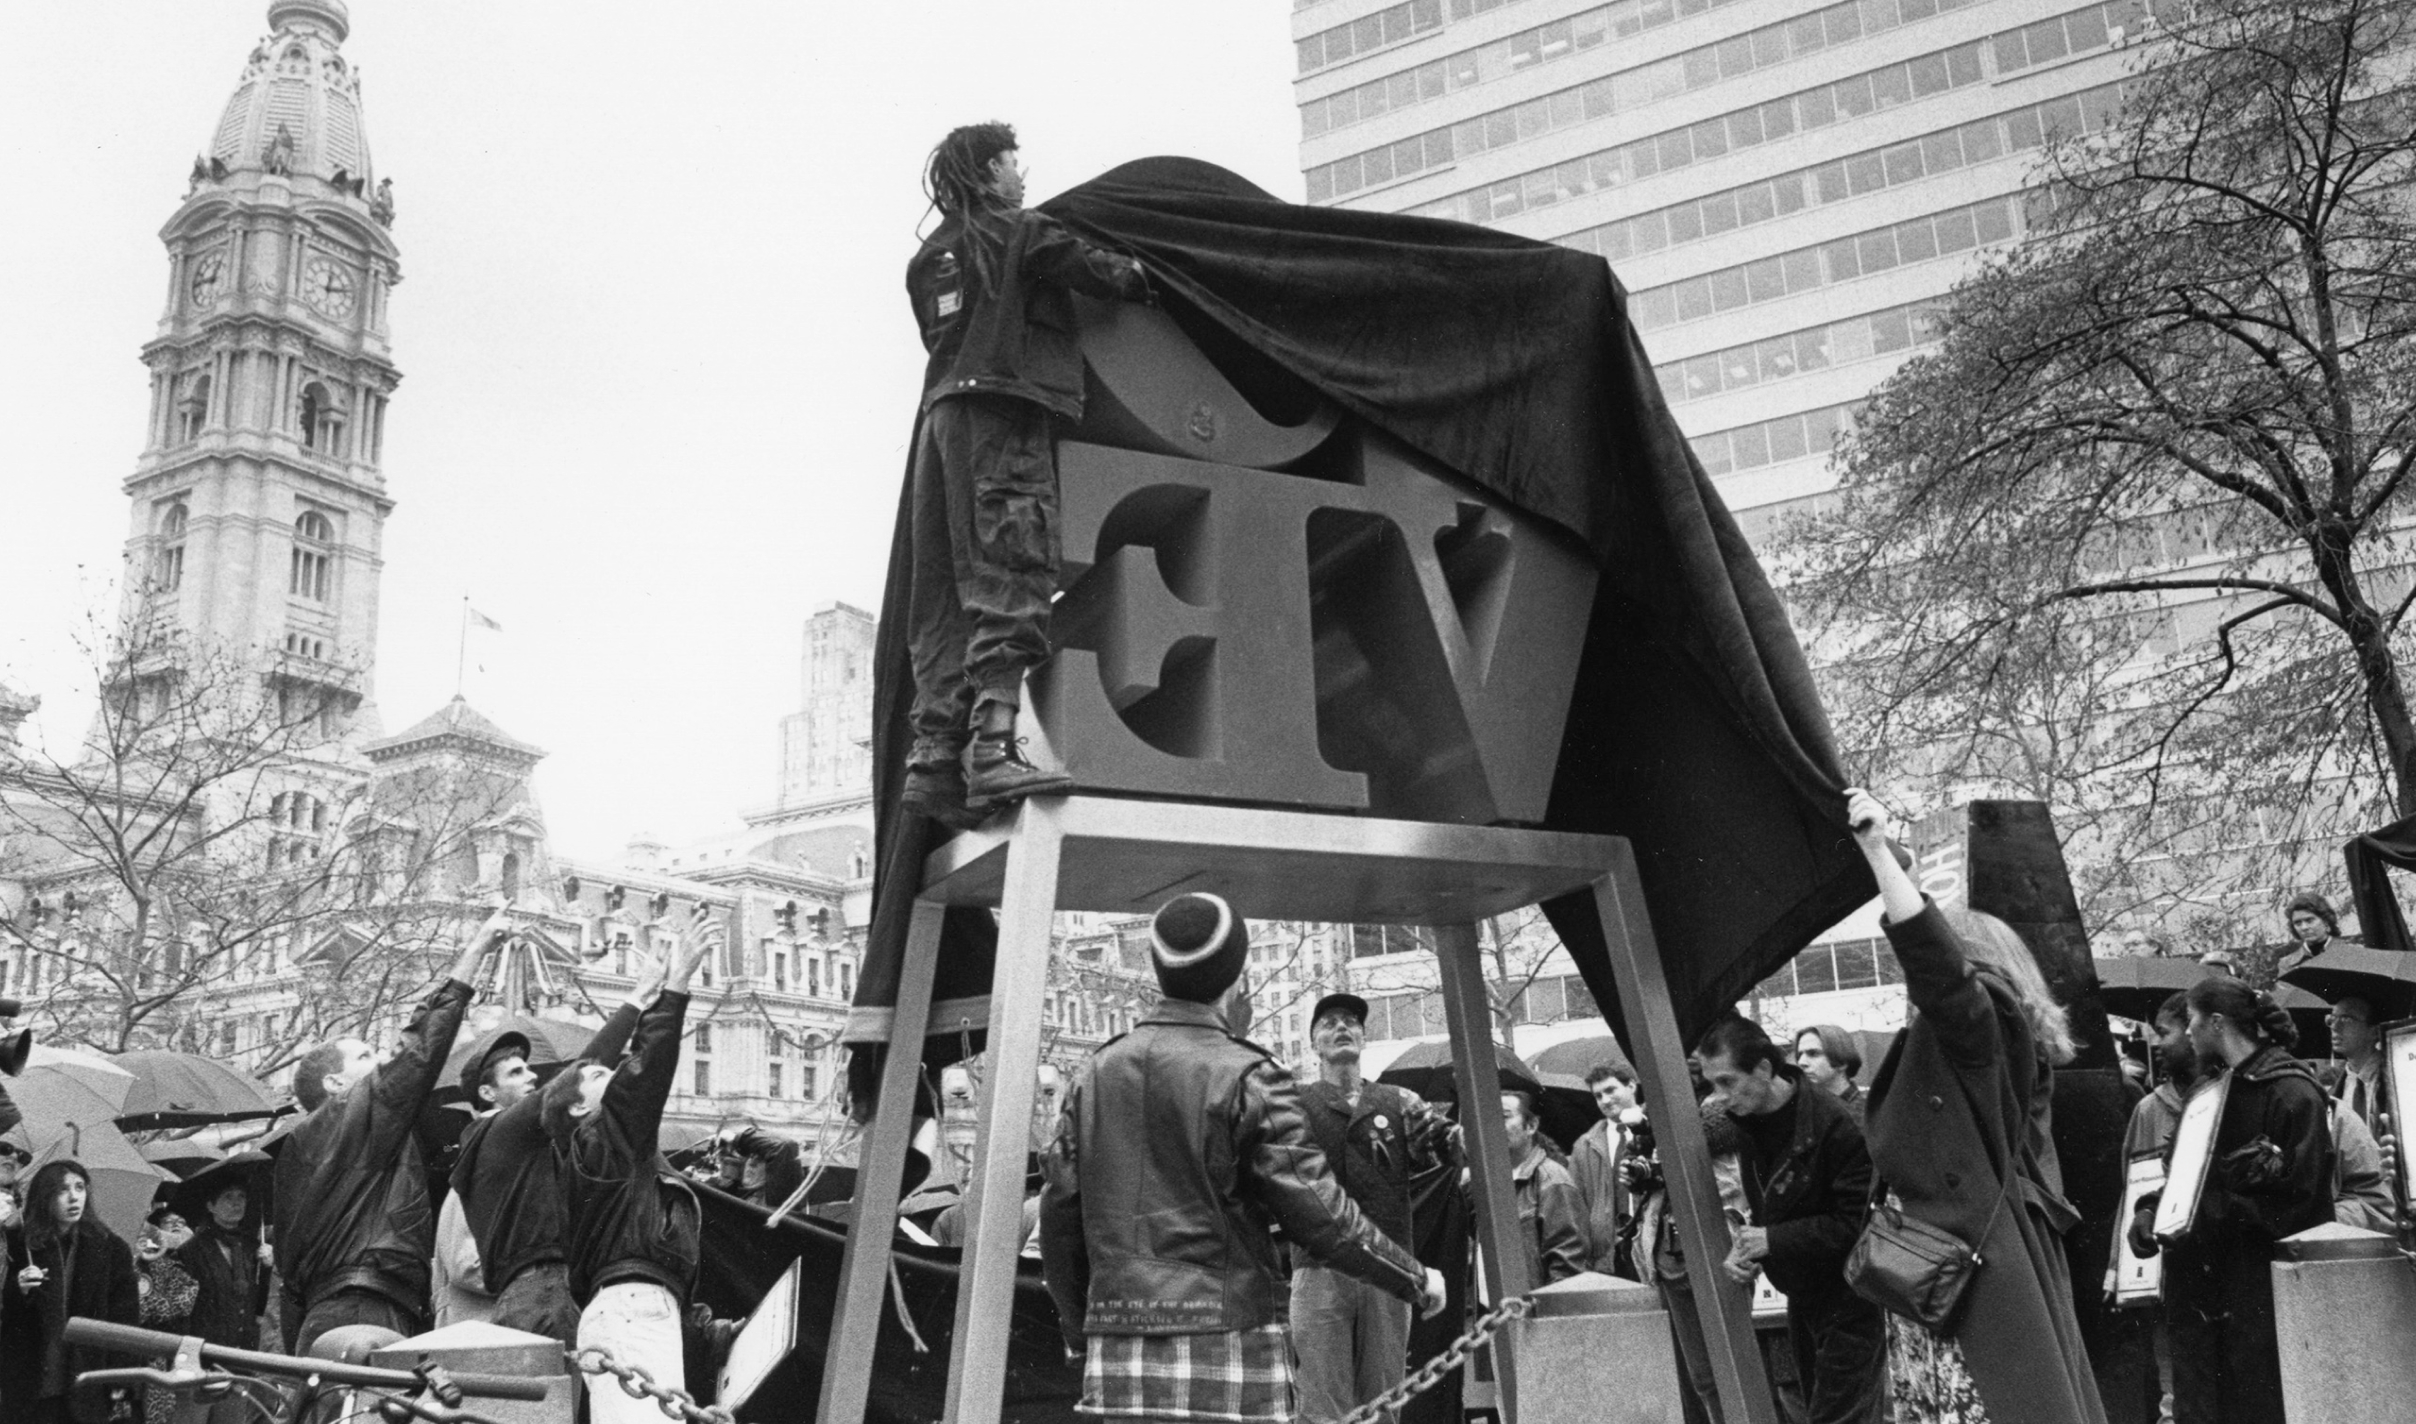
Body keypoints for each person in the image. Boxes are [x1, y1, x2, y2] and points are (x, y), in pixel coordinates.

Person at [1038, 892, 1444, 1424]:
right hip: (1229, 1332)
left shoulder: (1094, 1074)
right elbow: (1320, 1215)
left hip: (1119, 1336)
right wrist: (1415, 1278)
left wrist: (1078, 1329)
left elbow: (1059, 1217)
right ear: (1237, 980)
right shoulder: (1251, 1075)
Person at [900, 121, 1155, 823]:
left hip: (942, 420)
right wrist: (1148, 276)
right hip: (1004, 415)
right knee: (1013, 563)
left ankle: (934, 766)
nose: (1022, 173)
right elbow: (1105, 272)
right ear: (986, 175)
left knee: (948, 592)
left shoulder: (932, 255)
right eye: (1012, 163)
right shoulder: (1017, 232)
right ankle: (991, 748)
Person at [1845, 788, 2108, 1424]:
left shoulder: (1977, 1024)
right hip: (1949, 1266)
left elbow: (1938, 972)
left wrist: (1881, 856)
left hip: (1964, 1272)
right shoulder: (1990, 1041)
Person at [273, 914, 500, 1356]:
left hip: (331, 1313)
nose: (380, 1061)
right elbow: (417, 1051)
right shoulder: (353, 1115)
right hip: (366, 1309)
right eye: (365, 1054)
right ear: (335, 1085)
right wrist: (473, 955)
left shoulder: (307, 1146)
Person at [2126, 977, 2333, 1424]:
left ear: (2216, 1023)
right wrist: (2151, 1209)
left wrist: (2216, 1209)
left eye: (2194, 1022)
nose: (2188, 1033)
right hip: (2199, 1303)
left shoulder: (2292, 1095)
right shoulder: (2209, 1092)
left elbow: (2303, 1207)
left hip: (2258, 1305)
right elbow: (2186, 1176)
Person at [541, 915, 720, 1424]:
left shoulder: (605, 1152)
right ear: (579, 1109)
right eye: (600, 1073)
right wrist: (675, 989)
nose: (615, 1071)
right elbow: (646, 1070)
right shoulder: (602, 1139)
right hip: (633, 1307)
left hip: (628, 1307)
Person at [450, 966, 655, 1344]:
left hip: (528, 1295)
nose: (531, 1077)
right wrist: (637, 1000)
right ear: (487, 1095)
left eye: (528, 1068)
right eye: (515, 1073)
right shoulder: (502, 1130)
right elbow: (580, 1074)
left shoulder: (504, 1145)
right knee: (562, 1399)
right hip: (546, 1292)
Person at [1699, 1016, 1885, 1424]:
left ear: (1764, 1069)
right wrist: (1748, 1251)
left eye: (1727, 1082)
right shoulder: (1747, 1122)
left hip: (1851, 1299)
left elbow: (1858, 1225)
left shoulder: (1837, 1124)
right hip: (1802, 1296)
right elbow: (1775, 1210)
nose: (1718, 1097)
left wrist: (1772, 1240)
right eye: (1713, 1084)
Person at [1290, 990, 1454, 1424]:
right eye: (1328, 1023)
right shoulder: (1293, 1104)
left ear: (1363, 1037)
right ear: (1314, 1045)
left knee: (1384, 1396)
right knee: (1323, 1400)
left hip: (1388, 1267)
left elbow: (1448, 1148)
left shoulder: (1400, 1102)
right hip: (1318, 1266)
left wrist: (1477, 1120)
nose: (1341, 1027)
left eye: (1350, 1021)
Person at [2, 1160, 141, 1424]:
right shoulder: (18, 1245)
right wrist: (16, 1289)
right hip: (31, 1383)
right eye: (62, 1190)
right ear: (45, 1196)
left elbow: (125, 1320)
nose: (74, 1196)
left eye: (80, 1187)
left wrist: (122, 1377)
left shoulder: (110, 1248)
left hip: (86, 1380)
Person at [179, 1178, 269, 1419]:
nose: (237, 1203)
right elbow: (184, 1306)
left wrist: (270, 1267)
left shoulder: (254, 1248)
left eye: (241, 1197)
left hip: (242, 1357)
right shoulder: (192, 1250)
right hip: (204, 1357)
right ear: (210, 1205)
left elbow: (261, 1305)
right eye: (228, 1197)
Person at [1501, 1090, 1586, 1286]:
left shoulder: (1552, 1180)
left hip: (1531, 1307)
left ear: (1531, 1125)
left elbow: (1567, 1264)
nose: (1493, 1125)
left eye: (1504, 1117)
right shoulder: (1488, 1180)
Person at [1570, 1062, 1639, 1278]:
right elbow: (1576, 1205)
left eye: (1611, 1090)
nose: (1605, 1101)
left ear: (1631, 1086)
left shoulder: (1655, 1129)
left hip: (1652, 1242)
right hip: (1607, 1253)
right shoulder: (1585, 1145)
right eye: (1598, 1096)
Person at [134, 1207, 199, 1424]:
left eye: (180, 1219)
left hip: (159, 1350)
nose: (176, 1224)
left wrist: (153, 1306)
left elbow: (187, 1296)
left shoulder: (169, 1264)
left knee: (161, 1410)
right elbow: (133, 1306)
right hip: (131, 1347)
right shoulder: (125, 1263)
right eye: (169, 1220)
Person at [2318, 994, 2383, 1132]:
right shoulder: (2334, 1093)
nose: (2334, 1027)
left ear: (2374, 1032)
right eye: (2332, 1018)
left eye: (2346, 1019)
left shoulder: (2401, 1081)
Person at [1793, 1026, 1865, 1123]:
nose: (1801, 1062)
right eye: (1799, 1055)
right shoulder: (1801, 1111)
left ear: (1842, 1062)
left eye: (1813, 1053)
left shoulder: (1869, 1115)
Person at [2272, 892, 2344, 978]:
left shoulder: (2352, 954)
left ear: (2326, 921)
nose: (2304, 927)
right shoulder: (2287, 964)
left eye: (2309, 920)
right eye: (2298, 923)